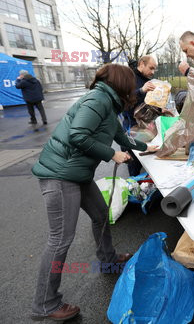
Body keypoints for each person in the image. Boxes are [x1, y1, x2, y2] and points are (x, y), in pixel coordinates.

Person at [30, 64, 158, 321]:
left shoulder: (109, 106)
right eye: (130, 84)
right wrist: (112, 154)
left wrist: (152, 147)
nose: (133, 89)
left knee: (100, 213)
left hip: (77, 174)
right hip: (60, 175)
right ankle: (45, 303)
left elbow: (124, 138)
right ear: (121, 84)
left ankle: (108, 259)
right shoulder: (97, 100)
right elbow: (78, 135)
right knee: (60, 240)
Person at [121, 56, 158, 176]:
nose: (152, 72)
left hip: (145, 127)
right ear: (141, 64)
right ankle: (134, 187)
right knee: (134, 164)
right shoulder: (129, 78)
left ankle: (143, 187)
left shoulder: (146, 80)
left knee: (146, 160)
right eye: (151, 68)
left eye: (154, 69)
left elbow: (147, 103)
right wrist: (141, 90)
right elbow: (125, 101)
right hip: (132, 128)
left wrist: (159, 108)